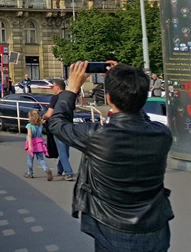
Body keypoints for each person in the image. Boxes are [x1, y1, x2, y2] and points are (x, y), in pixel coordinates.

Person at [47, 61, 173, 251]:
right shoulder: (162, 134)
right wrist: (130, 85)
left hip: (111, 229)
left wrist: (72, 88)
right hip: (155, 228)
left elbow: (56, 124)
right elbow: (137, 114)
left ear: (109, 98)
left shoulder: (96, 136)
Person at [42, 78, 74, 181]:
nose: (52, 89)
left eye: (53, 87)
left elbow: (49, 113)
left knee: (62, 150)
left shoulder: (55, 98)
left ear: (58, 87)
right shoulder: (69, 97)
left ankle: (68, 172)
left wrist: (43, 118)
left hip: (58, 125)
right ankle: (61, 169)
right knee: (66, 150)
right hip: (69, 126)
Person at [24, 109, 52, 180]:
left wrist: (30, 146)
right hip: (39, 143)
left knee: (30, 159)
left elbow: (29, 136)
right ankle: (46, 169)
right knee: (40, 159)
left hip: (32, 143)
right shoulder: (40, 125)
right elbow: (42, 122)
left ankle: (30, 172)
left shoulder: (29, 126)